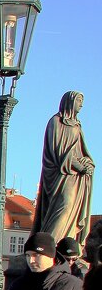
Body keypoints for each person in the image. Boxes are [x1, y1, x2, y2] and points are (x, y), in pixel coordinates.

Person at [36, 91, 94, 246]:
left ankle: (64, 246)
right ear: (70, 101)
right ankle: (48, 246)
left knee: (71, 211)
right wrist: (80, 166)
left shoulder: (77, 125)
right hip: (60, 174)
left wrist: (88, 164)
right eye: (79, 100)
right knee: (64, 205)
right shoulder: (56, 122)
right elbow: (58, 151)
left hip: (74, 177)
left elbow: (81, 150)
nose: (81, 104)